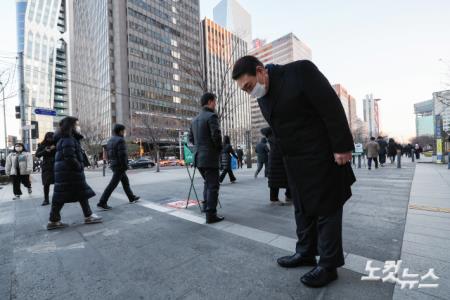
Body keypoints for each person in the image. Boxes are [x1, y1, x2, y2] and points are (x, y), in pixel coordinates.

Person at [233, 56, 355, 288]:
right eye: (245, 90)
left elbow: (330, 105)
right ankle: (305, 252)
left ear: (261, 71)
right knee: (301, 208)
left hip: (321, 154)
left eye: (249, 86)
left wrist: (342, 145)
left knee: (326, 208)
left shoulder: (300, 71)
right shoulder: (263, 97)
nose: (249, 92)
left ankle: (328, 265)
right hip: (294, 160)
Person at [47, 116, 102, 230]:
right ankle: (55, 220)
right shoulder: (68, 139)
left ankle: (55, 220)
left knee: (79, 194)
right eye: (76, 124)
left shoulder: (65, 138)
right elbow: (70, 157)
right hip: (70, 173)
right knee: (63, 196)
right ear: (70, 126)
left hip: (66, 173)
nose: (78, 127)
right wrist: (79, 166)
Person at [189, 92, 224, 224]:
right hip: (209, 157)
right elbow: (216, 136)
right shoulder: (211, 116)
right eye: (215, 101)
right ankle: (211, 214)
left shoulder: (195, 119)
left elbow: (190, 139)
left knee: (207, 184)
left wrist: (198, 149)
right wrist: (219, 149)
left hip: (198, 158)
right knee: (213, 186)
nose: (215, 104)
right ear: (209, 102)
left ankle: (206, 207)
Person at [97, 124, 140, 210]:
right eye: (124, 130)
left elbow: (109, 154)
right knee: (112, 184)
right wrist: (125, 166)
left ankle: (131, 197)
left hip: (114, 164)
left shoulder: (110, 140)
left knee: (125, 182)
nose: (124, 132)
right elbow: (122, 155)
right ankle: (102, 202)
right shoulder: (120, 140)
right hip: (120, 166)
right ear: (120, 131)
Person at [261, 127, 291, 204]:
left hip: (276, 159)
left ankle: (278, 198)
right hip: (278, 159)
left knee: (277, 179)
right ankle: (283, 197)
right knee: (286, 178)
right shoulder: (277, 136)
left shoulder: (272, 136)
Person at [35, 132, 57, 206]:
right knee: (46, 183)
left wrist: (55, 148)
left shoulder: (57, 143)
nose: (50, 139)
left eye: (52, 138)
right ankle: (46, 199)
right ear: (46, 138)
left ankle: (58, 198)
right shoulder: (42, 145)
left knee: (58, 183)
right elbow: (37, 154)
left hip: (57, 165)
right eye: (48, 138)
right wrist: (45, 151)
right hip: (47, 166)